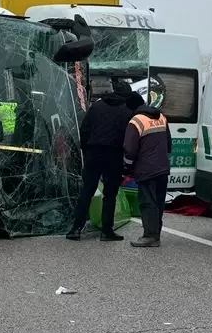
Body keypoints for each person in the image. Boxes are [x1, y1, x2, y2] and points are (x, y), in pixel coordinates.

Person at [65, 83, 138, 241]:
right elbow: (129, 137)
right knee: (110, 194)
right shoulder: (128, 111)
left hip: (93, 152)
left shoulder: (97, 106)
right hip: (114, 154)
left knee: (87, 190)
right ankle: (106, 231)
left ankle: (76, 229)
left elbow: (85, 128)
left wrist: (86, 149)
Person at [123, 96, 171, 248]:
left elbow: (129, 150)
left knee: (147, 202)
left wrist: (126, 166)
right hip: (163, 168)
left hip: (146, 169)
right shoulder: (161, 117)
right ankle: (156, 234)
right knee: (158, 202)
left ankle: (150, 236)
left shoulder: (136, 121)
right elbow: (169, 144)